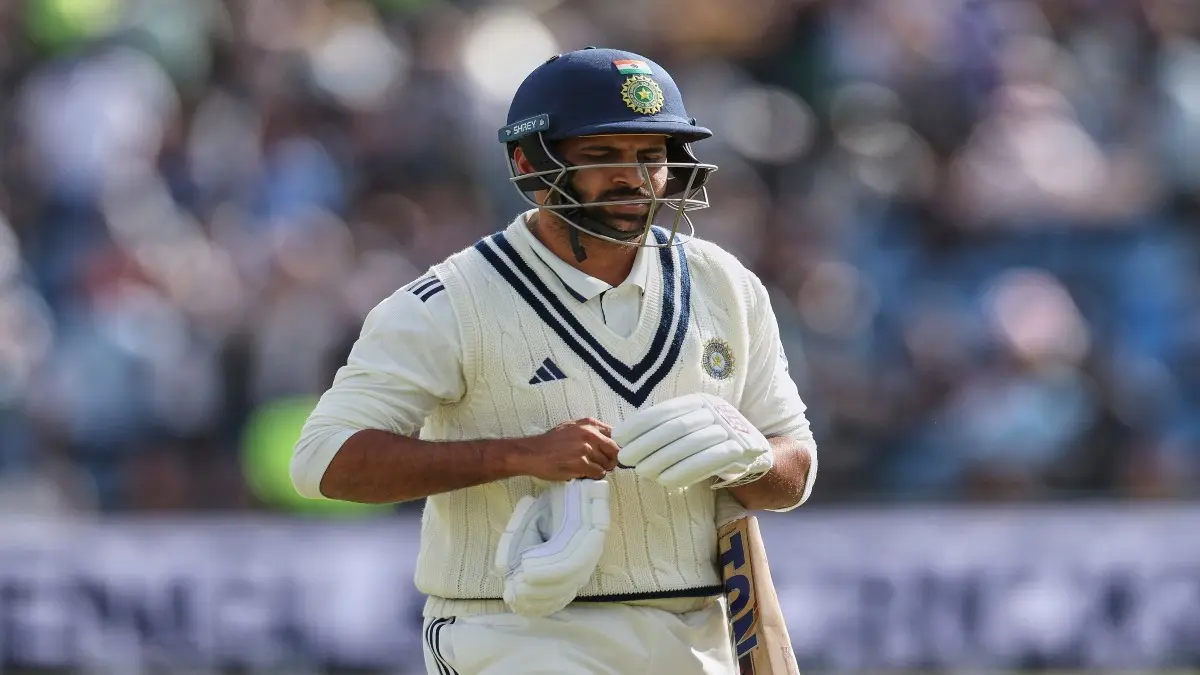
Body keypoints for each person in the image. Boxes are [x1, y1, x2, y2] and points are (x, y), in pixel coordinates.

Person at [291, 47, 818, 675]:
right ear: (529, 162)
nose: (632, 177)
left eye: (650, 155)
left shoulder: (725, 285)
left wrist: (750, 458)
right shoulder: (451, 301)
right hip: (514, 633)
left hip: (696, 634)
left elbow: (795, 467)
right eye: (602, 154)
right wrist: (517, 455)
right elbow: (324, 462)